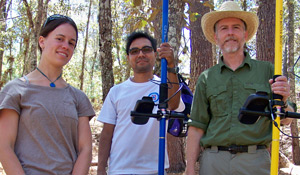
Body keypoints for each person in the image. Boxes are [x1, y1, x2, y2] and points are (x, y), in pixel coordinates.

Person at [185, 1, 293, 175]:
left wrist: (285, 100)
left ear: (245, 34)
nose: (230, 33)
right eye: (223, 28)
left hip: (254, 162)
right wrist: (189, 169)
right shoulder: (206, 77)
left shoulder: (269, 71)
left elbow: (286, 119)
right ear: (216, 37)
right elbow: (197, 126)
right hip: (213, 162)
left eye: (236, 27)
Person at [0, 14, 95, 175]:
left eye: (71, 43)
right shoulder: (15, 90)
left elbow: (85, 148)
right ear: (42, 41)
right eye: (60, 38)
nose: (66, 45)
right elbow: (4, 145)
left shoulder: (78, 97)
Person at [97, 31, 185, 175]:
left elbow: (174, 105)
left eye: (146, 49)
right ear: (128, 57)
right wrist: (101, 168)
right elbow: (107, 133)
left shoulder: (164, 87)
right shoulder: (116, 91)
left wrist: (171, 65)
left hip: (154, 169)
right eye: (134, 51)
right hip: (120, 169)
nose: (141, 54)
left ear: (155, 54)